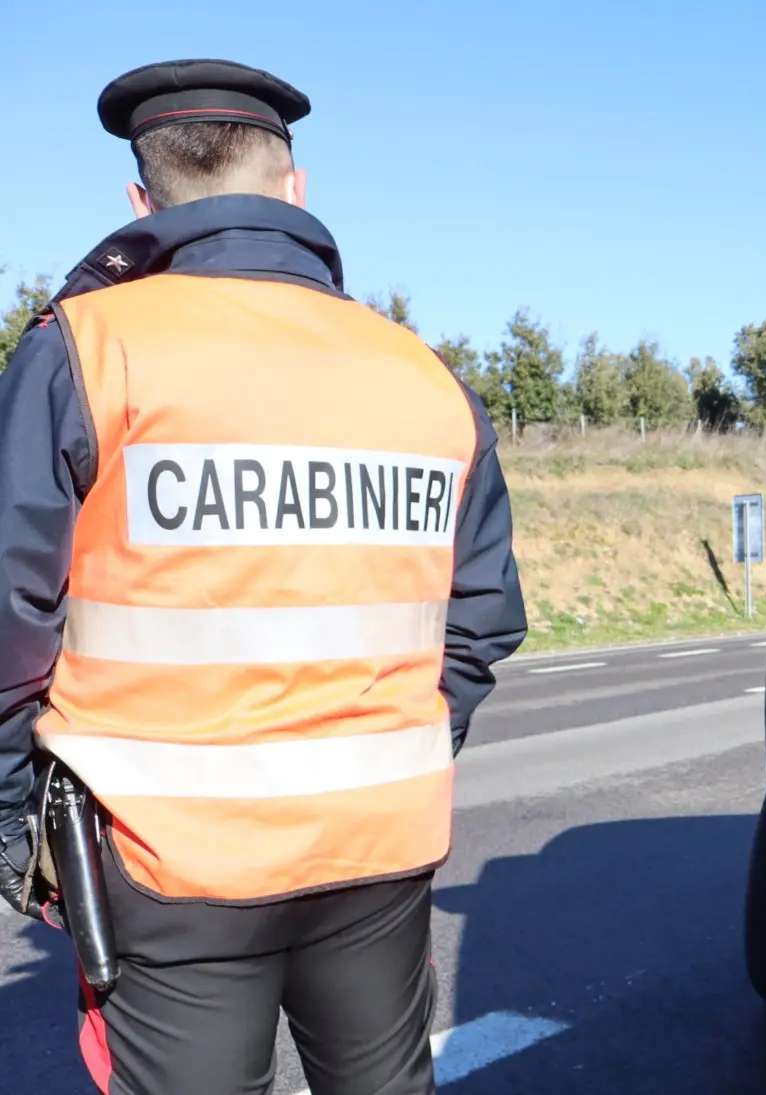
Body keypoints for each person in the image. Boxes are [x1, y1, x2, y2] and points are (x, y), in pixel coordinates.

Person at [0, 58, 527, 1095]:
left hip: (165, 860)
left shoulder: (86, 351)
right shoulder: (421, 372)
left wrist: (12, 808)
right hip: (379, 843)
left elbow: (12, 613)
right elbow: (484, 617)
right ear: (295, 188)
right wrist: (403, 746)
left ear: (141, 200)